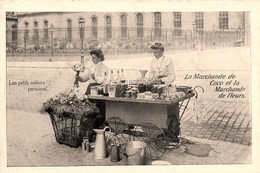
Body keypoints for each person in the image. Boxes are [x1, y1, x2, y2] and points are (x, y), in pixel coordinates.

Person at [149, 42, 179, 143]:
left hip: (166, 88)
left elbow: (173, 75)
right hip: (155, 89)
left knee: (169, 111)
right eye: (153, 53)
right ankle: (158, 133)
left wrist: (163, 80)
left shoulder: (168, 61)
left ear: (161, 51)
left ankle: (170, 134)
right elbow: (150, 75)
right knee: (156, 110)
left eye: (156, 52)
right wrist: (152, 79)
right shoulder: (153, 61)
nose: (154, 55)